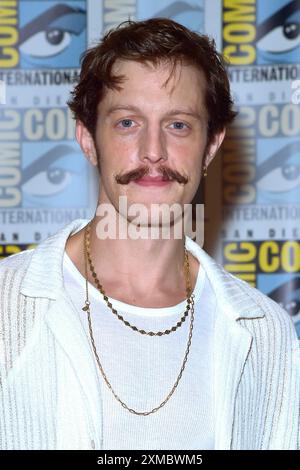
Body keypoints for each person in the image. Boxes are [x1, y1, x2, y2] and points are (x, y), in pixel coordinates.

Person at [0, 18, 299, 451]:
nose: (153, 150)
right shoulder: (6, 305)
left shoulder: (265, 332)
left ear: (211, 147)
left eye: (178, 125)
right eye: (127, 123)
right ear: (88, 140)